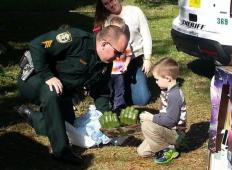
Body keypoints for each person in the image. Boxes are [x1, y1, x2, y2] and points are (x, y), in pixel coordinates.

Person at [17, 25, 128, 165]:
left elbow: (101, 92)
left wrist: (109, 120)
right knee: (52, 93)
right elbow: (36, 45)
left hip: (63, 90)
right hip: (35, 79)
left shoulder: (105, 62)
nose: (119, 57)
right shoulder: (76, 39)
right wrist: (47, 75)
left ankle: (33, 117)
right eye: (117, 52)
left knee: (68, 127)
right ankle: (61, 152)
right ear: (104, 44)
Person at [94, 0, 152, 106]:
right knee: (112, 90)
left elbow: (146, 35)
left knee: (142, 100)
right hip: (117, 62)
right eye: (106, 4)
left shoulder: (135, 11)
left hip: (135, 59)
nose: (111, 5)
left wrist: (147, 58)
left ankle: (134, 85)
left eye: (111, 0)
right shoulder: (105, 19)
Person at [137, 57, 187, 164]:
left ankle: (167, 150)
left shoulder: (174, 95)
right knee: (142, 152)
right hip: (167, 130)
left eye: (157, 79)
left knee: (147, 125)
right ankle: (167, 146)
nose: (155, 82)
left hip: (175, 134)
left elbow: (171, 120)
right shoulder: (167, 90)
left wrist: (151, 118)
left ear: (168, 78)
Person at [108, 16, 132, 113]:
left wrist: (126, 65)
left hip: (119, 71)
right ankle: (109, 104)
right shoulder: (107, 42)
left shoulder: (125, 42)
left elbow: (129, 55)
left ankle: (119, 106)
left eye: (119, 30)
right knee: (108, 89)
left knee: (119, 89)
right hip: (108, 71)